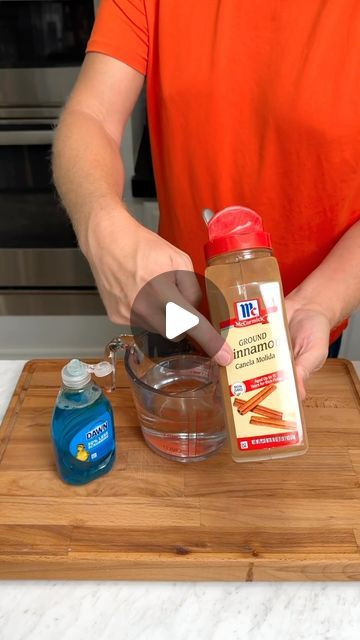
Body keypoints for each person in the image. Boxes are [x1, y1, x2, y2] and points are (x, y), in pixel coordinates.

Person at [53, 0, 360, 400]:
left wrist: (319, 303)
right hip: (175, 309)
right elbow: (90, 116)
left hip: (302, 326)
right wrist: (100, 224)